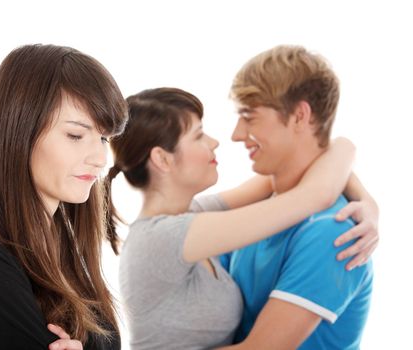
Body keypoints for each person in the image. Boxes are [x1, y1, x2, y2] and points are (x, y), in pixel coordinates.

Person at [105, 87, 378, 349]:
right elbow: (314, 194)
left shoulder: (192, 215)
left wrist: (366, 201)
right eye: (199, 135)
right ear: (162, 160)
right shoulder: (163, 238)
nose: (214, 142)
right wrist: (346, 146)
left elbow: (295, 165)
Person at [0, 44, 128, 350]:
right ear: (20, 133)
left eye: (103, 138)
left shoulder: (61, 245)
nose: (100, 157)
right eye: (76, 135)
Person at [217, 45, 375, 349]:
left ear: (300, 116)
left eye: (249, 117)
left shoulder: (334, 232)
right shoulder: (260, 208)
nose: (236, 134)